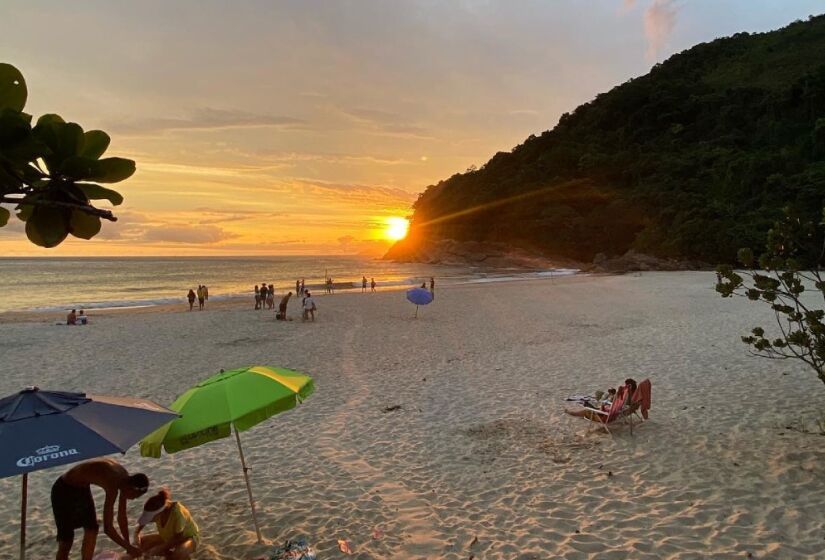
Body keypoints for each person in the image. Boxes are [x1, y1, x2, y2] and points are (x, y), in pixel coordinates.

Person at [52, 459, 148, 560]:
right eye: (134, 496)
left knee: (92, 528)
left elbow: (122, 516)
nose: (133, 499)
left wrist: (128, 545)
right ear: (130, 489)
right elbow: (108, 528)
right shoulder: (113, 484)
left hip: (82, 488)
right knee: (66, 541)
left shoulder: (126, 480)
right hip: (62, 489)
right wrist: (129, 547)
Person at [135, 488, 199, 559]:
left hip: (187, 538)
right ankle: (168, 554)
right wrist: (137, 533)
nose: (149, 520)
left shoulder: (177, 513)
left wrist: (159, 548)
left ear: (160, 513)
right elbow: (144, 521)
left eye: (151, 518)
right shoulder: (158, 514)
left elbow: (178, 537)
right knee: (142, 542)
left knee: (179, 552)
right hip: (168, 537)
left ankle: (176, 556)